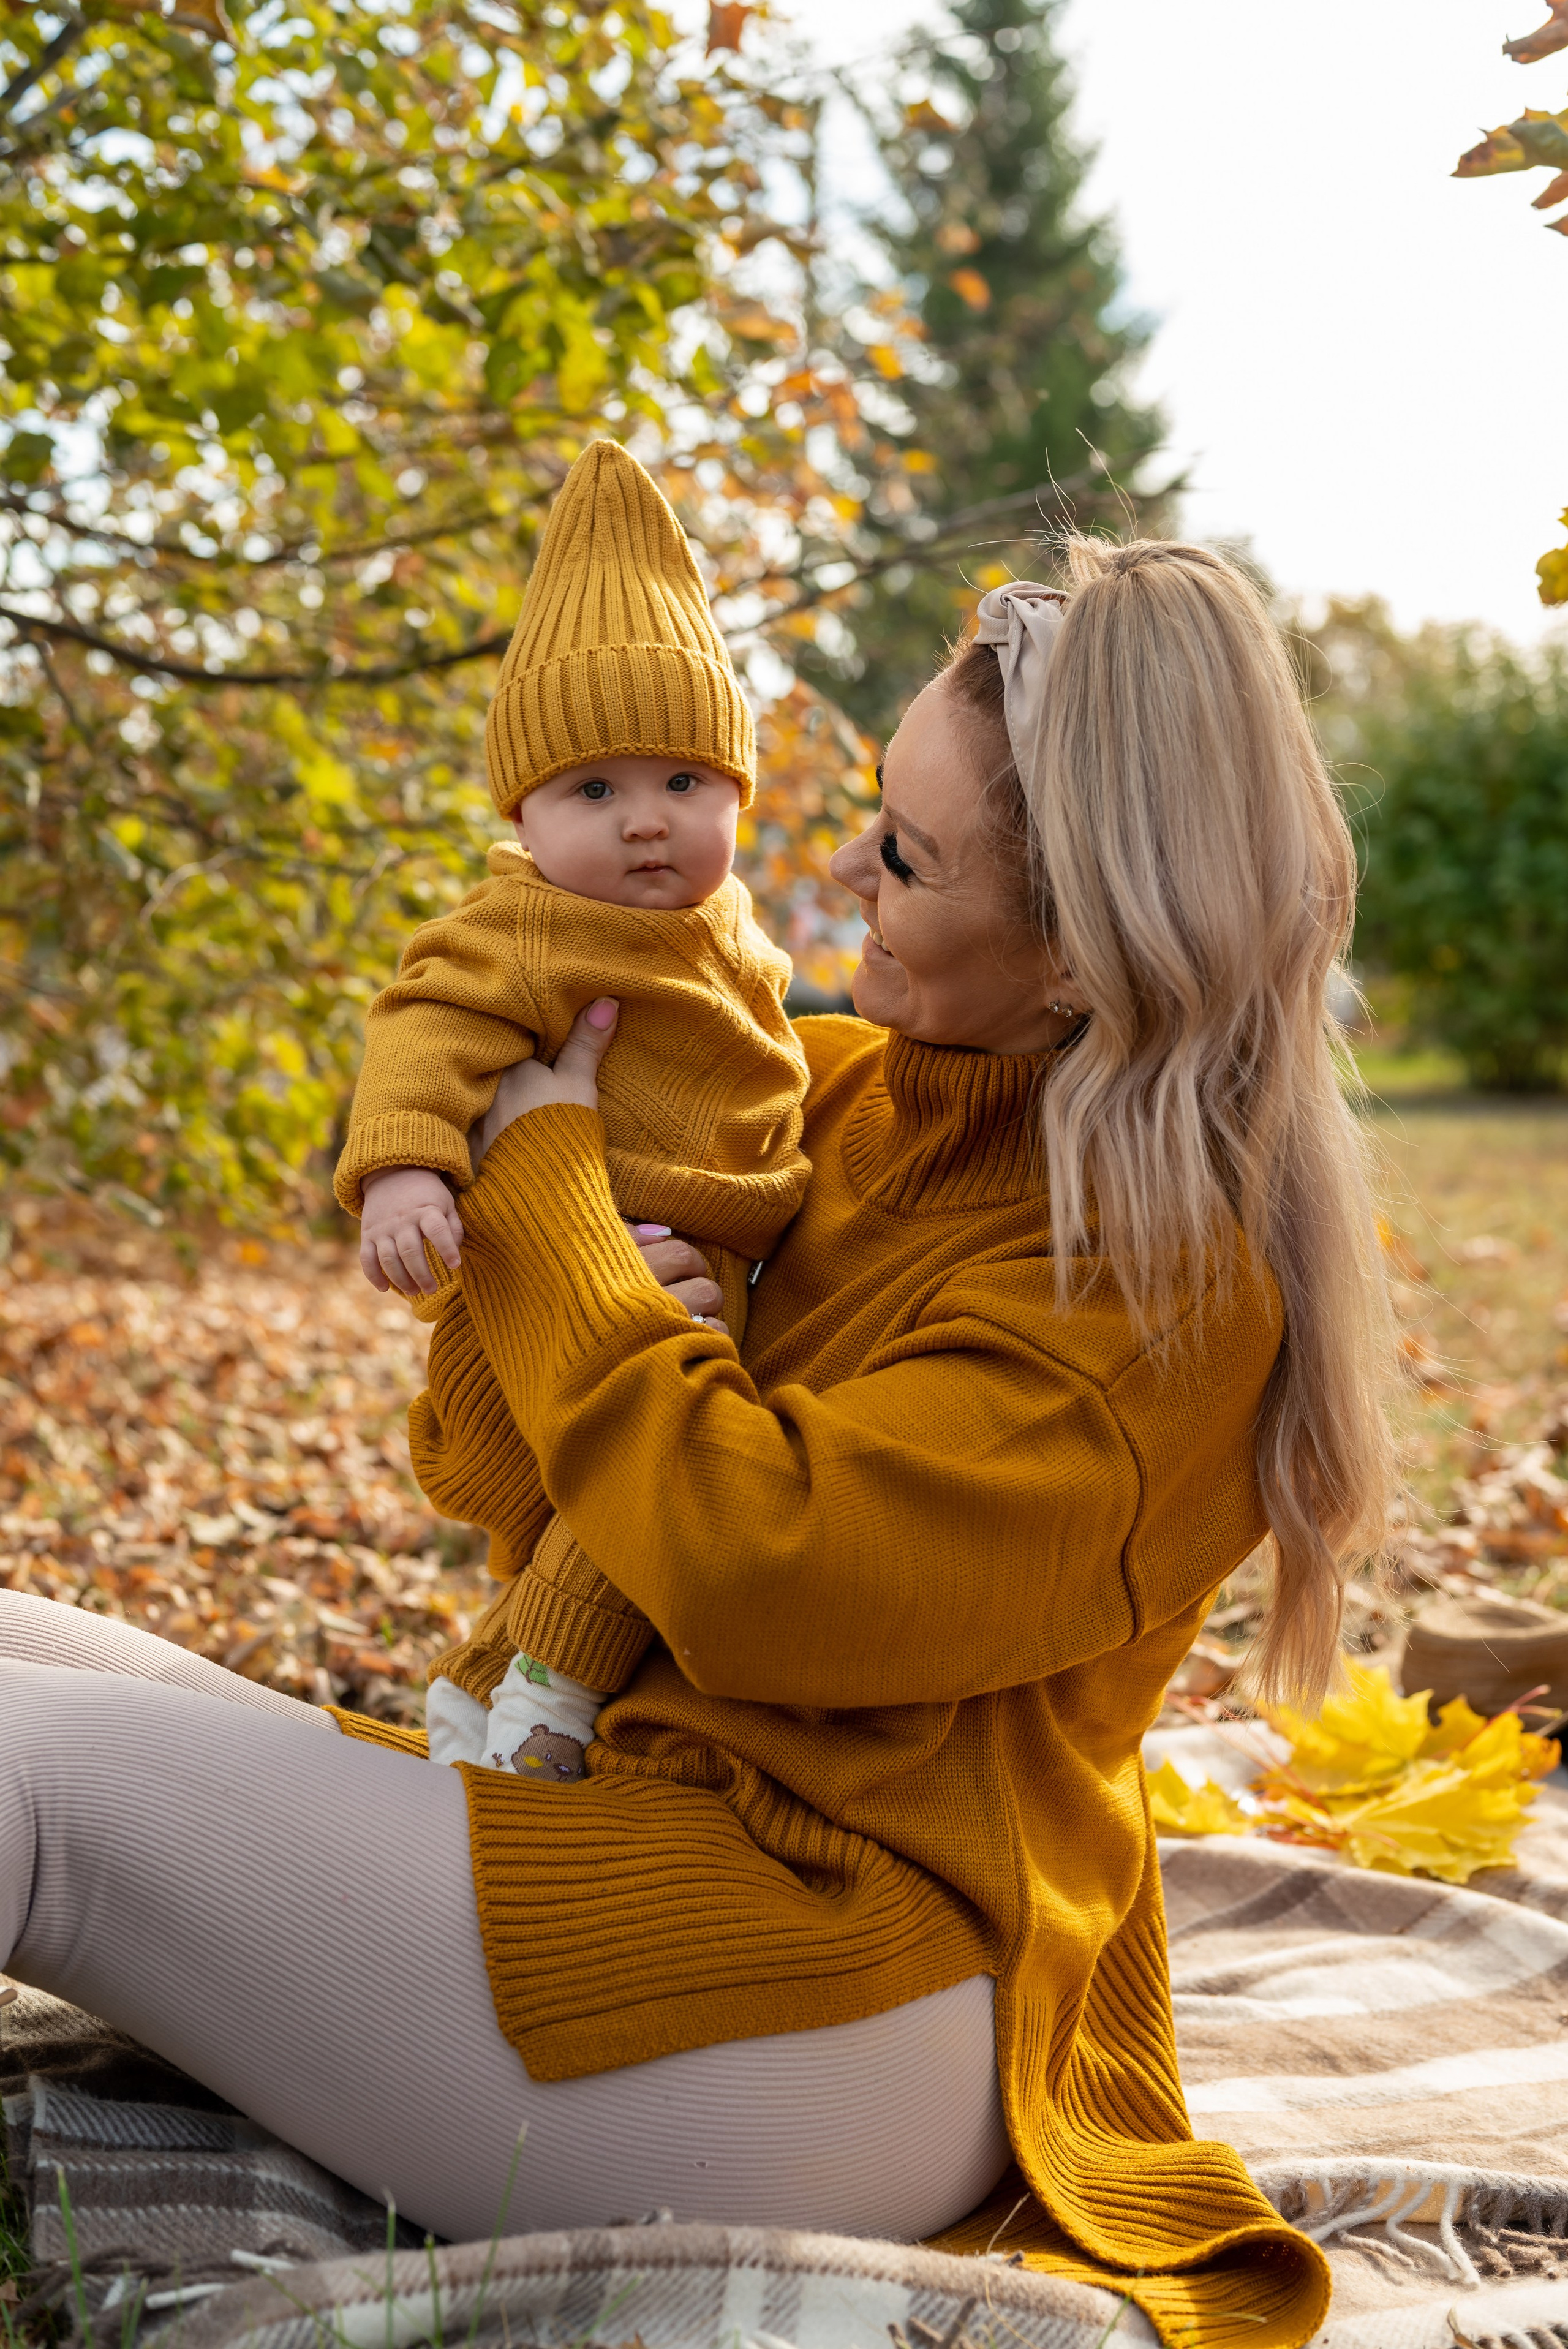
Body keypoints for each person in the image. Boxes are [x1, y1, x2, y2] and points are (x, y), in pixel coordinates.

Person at [0, 535, 1393, 2349]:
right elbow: (511, 1491)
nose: (846, 874)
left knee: (27, 1777)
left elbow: (759, 1572)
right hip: (634, 1813)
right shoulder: (836, 1096)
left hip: (856, 1989)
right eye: (870, 816)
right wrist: (534, 1272)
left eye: (907, 856)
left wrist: (553, 1192)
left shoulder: (1165, 1295)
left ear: (1082, 951)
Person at [333, 439, 811, 1779]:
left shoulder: (734, 933)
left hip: (704, 1249)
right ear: (525, 817)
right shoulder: (529, 923)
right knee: (633, 1479)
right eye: (594, 790)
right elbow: (425, 1020)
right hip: (577, 1255)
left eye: (683, 783)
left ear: (737, 791)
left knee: (634, 1487)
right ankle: (546, 1694)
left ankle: (481, 1687)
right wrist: (406, 1173)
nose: (646, 822)